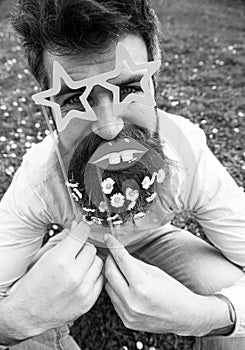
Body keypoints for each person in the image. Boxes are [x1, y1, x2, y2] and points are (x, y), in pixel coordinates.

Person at [0, 0, 245, 349]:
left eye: (129, 89)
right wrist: (15, 320)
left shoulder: (186, 153)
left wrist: (202, 315)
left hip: (155, 238)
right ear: (48, 113)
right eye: (73, 100)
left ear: (154, 84)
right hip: (77, 243)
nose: (110, 128)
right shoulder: (38, 178)